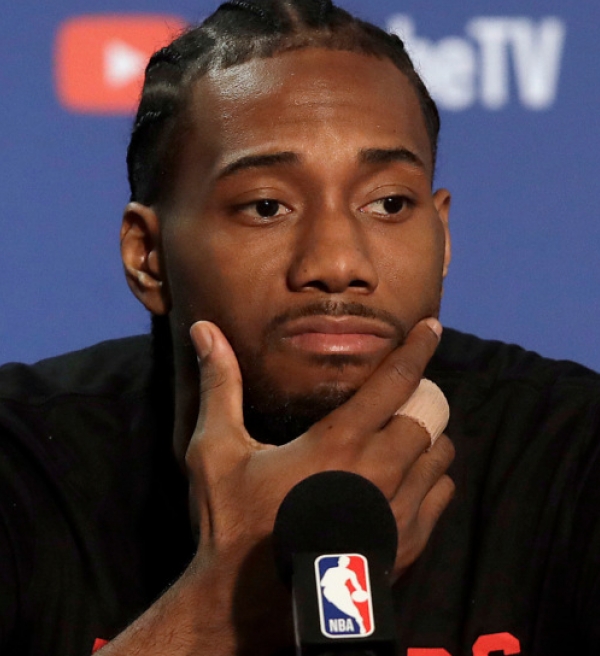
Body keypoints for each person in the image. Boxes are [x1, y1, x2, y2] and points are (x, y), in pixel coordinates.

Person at [0, 1, 599, 655]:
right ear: (148, 255)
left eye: (389, 203)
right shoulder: (22, 462)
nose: (338, 264)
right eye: (266, 206)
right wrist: (223, 600)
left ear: (443, 235)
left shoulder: (572, 450)